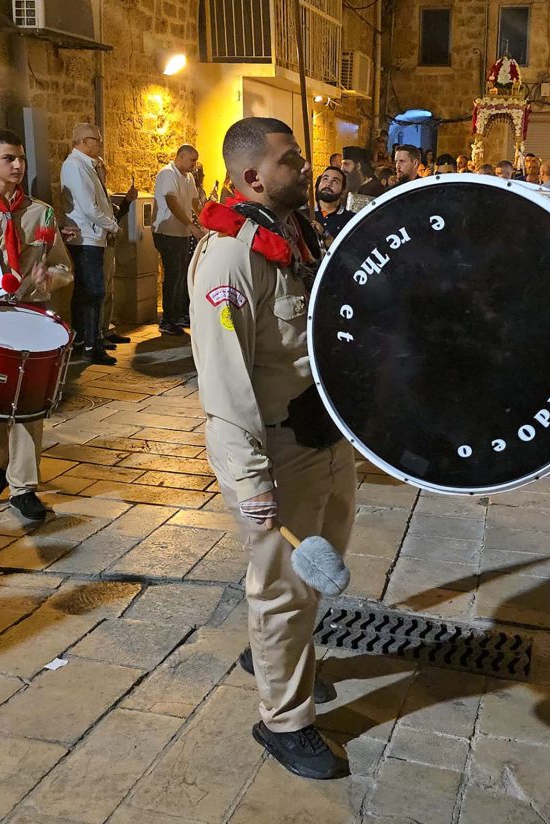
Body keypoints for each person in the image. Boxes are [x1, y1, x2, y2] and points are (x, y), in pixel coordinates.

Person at [189, 117, 356, 780]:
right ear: (253, 176)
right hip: (277, 449)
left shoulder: (295, 231)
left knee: (313, 573)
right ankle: (283, 720)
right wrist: (252, 482)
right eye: (292, 160)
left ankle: (278, 658)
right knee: (283, 589)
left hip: (323, 435)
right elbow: (225, 382)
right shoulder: (230, 256)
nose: (307, 167)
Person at [0, 128, 73, 521]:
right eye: (8, 158)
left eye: (21, 158)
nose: (18, 165)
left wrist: (50, 277)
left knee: (25, 404)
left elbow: (64, 268)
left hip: (26, 315)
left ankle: (23, 488)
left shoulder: (40, 213)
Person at [61, 122, 120, 365]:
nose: (101, 145)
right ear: (85, 142)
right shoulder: (75, 165)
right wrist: (113, 226)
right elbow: (88, 207)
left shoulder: (87, 165)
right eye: (98, 140)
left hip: (93, 235)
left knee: (87, 291)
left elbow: (99, 201)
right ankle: (90, 345)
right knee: (94, 291)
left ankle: (83, 340)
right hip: (86, 237)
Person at [152, 144, 204, 335]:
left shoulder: (188, 177)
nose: (194, 165)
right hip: (167, 231)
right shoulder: (168, 174)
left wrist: (205, 221)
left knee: (182, 273)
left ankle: (178, 315)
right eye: (192, 160)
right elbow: (171, 201)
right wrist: (190, 224)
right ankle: (167, 320)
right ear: (181, 156)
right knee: (173, 274)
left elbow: (194, 201)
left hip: (181, 232)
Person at [96, 157, 138, 348]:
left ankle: (106, 328)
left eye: (103, 167)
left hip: (110, 245)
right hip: (99, 245)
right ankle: (98, 334)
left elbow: (116, 215)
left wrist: (127, 201)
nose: (104, 171)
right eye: (100, 167)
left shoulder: (105, 192)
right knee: (101, 290)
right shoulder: (92, 192)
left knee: (109, 290)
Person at [314, 166, 354, 247]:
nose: (328, 184)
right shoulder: (304, 215)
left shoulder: (352, 221)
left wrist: (325, 235)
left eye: (335, 181)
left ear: (343, 191)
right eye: (325, 179)